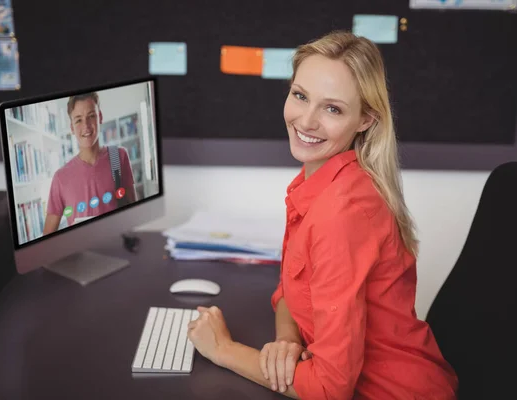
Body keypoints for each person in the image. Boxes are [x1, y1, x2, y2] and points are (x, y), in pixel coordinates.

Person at [186, 31, 459, 399]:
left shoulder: (340, 213)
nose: (307, 121)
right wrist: (286, 341)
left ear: (366, 118)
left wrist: (223, 350)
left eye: (333, 108)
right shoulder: (318, 180)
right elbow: (290, 288)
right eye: (300, 96)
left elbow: (329, 389)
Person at [42, 92, 136, 235]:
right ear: (72, 128)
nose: (86, 126)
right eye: (78, 120)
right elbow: (47, 238)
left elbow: (134, 214)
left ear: (100, 117)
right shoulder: (60, 178)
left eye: (91, 116)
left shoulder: (119, 156)